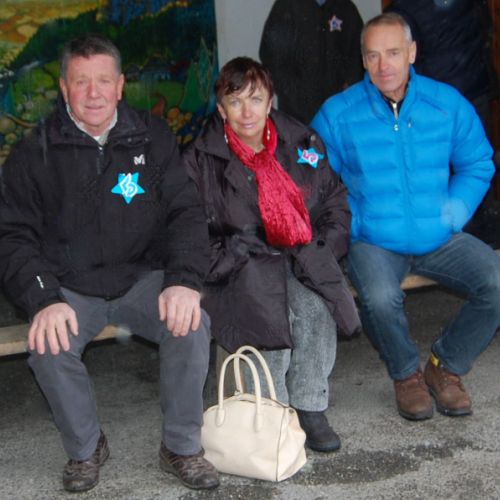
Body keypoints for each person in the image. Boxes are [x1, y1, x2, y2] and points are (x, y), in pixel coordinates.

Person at [0, 34, 219, 492]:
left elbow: (185, 212)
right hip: (69, 287)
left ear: (120, 86)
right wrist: (42, 298)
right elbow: (12, 235)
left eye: (103, 80)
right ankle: (86, 448)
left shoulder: (152, 136)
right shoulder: (33, 152)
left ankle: (181, 446)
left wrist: (183, 280)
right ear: (64, 88)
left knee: (192, 323)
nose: (93, 93)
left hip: (142, 277)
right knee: (48, 345)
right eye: (81, 82)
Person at [312, 13, 500, 421]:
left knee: (497, 281)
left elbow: (478, 162)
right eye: (373, 55)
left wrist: (454, 212)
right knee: (380, 299)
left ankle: (445, 366)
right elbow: (313, 181)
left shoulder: (446, 104)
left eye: (394, 53)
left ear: (412, 53)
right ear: (363, 60)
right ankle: (406, 375)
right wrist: (352, 222)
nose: (384, 66)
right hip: (373, 240)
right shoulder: (337, 114)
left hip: (439, 235)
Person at [183, 57, 361, 452]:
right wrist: (234, 252)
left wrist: (318, 250)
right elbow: (188, 232)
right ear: (221, 109)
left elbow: (334, 201)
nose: (247, 112)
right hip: (237, 266)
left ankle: (310, 404)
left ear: (270, 101)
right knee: (270, 314)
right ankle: (271, 412)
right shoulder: (200, 159)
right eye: (235, 102)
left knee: (315, 306)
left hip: (297, 256)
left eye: (256, 99)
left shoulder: (301, 142)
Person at [384, 0, 500, 245]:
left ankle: (466, 233)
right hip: (466, 93)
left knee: (450, 169)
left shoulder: (404, 10)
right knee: (472, 165)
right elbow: (484, 30)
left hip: (443, 100)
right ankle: (478, 228)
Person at [259, 0, 364, 124]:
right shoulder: (286, 6)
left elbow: (358, 59)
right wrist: (295, 97)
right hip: (296, 115)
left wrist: (347, 96)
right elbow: (272, 59)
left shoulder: (346, 8)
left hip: (339, 112)